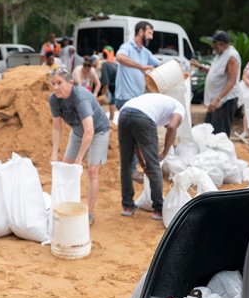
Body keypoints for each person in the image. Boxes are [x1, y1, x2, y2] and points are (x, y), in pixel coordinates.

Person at [48, 67, 110, 225]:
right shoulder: (54, 100)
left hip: (98, 131)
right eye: (53, 83)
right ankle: (66, 206)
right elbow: (56, 127)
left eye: (59, 83)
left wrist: (80, 158)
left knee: (92, 171)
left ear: (70, 83)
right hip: (77, 131)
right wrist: (54, 153)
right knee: (67, 167)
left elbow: (90, 131)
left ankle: (89, 213)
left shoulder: (80, 98)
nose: (55, 87)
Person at [117, 93, 184, 221]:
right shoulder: (179, 107)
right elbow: (172, 127)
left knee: (126, 164)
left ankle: (127, 206)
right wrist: (163, 153)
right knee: (154, 165)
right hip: (142, 116)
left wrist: (143, 165)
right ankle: (158, 208)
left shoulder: (159, 104)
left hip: (124, 113)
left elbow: (136, 146)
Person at [116, 21, 159, 182]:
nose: (151, 36)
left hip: (137, 99)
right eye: (149, 33)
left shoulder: (145, 52)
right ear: (140, 31)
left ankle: (132, 169)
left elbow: (158, 64)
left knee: (134, 136)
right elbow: (119, 57)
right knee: (132, 136)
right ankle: (132, 170)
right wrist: (140, 66)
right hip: (125, 97)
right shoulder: (127, 47)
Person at [190, 30, 241, 136]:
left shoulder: (232, 57)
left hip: (225, 100)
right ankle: (211, 151)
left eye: (213, 44)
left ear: (220, 44)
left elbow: (232, 81)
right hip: (216, 100)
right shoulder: (220, 55)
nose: (212, 46)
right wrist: (200, 67)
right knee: (210, 129)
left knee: (220, 132)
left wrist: (218, 99)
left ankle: (221, 152)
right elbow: (215, 72)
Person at [99, 50, 119, 121]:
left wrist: (103, 95)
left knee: (112, 102)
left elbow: (106, 82)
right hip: (119, 84)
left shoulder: (105, 65)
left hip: (114, 85)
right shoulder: (114, 63)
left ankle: (110, 120)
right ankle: (111, 120)